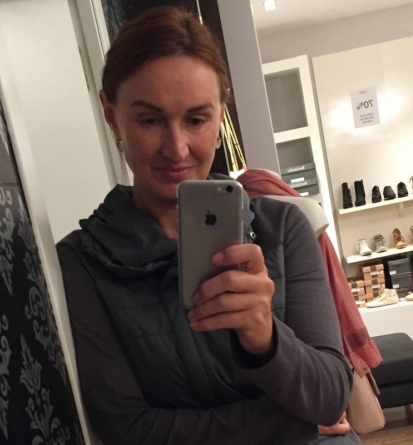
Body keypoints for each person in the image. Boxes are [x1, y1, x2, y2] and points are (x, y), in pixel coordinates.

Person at [57, 7, 362, 444]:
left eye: (196, 119)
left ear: (221, 116)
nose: (177, 148)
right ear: (111, 114)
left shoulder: (281, 228)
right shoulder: (83, 262)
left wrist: (266, 337)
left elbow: (330, 397)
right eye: (150, 120)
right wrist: (289, 423)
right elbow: (127, 430)